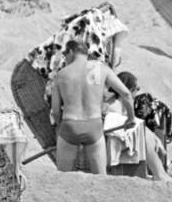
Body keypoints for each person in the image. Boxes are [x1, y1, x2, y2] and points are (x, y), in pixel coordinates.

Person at [47, 41, 135, 173]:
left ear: (71, 51)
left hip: (70, 123)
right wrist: (131, 118)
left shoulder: (61, 75)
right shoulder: (101, 68)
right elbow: (126, 94)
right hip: (93, 124)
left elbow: (55, 110)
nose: (65, 58)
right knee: (100, 176)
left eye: (65, 54)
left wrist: (60, 125)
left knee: (63, 176)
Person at [110, 71, 172, 181]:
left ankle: (159, 172)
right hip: (116, 139)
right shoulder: (115, 106)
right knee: (144, 136)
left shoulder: (118, 104)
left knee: (145, 133)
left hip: (117, 136)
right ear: (129, 90)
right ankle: (159, 173)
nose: (137, 93)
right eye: (137, 89)